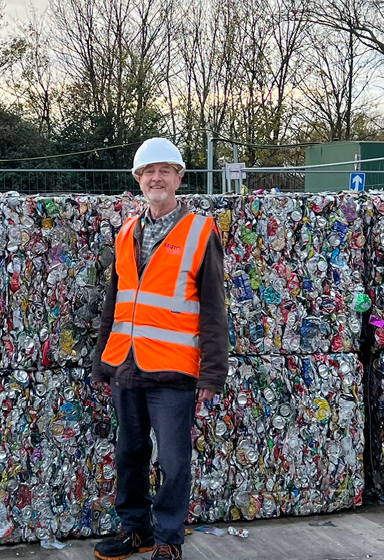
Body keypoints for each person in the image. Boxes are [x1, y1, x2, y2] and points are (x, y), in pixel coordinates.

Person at [90, 137, 228, 560]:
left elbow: (213, 307)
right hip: (126, 367)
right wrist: (101, 360)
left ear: (179, 178)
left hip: (173, 371)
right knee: (129, 454)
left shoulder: (201, 231)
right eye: (148, 172)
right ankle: (136, 531)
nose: (156, 178)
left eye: (164, 171)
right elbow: (114, 302)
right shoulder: (128, 232)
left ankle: (168, 541)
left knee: (173, 460)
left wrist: (212, 373)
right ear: (138, 181)